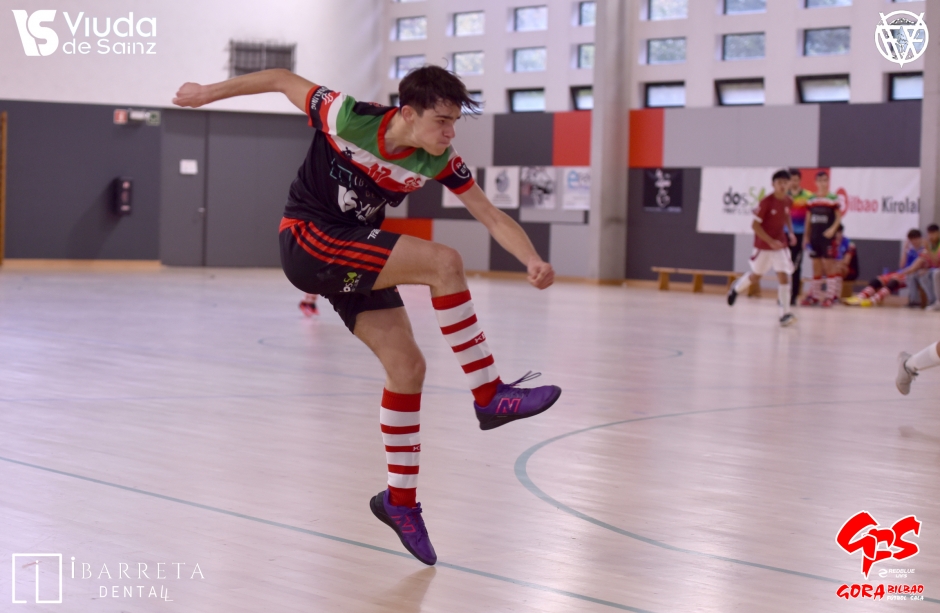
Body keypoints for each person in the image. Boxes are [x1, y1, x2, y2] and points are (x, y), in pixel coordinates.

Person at [172, 66, 562, 566]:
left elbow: (489, 214)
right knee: (444, 263)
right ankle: (490, 395)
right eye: (442, 121)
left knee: (408, 368)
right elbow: (280, 78)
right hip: (309, 239)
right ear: (408, 114)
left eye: (454, 123)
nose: (450, 133)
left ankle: (400, 503)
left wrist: (531, 258)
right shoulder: (346, 116)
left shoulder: (438, 159)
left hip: (353, 251)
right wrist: (206, 93)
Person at [727, 169, 797, 327]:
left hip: (780, 244)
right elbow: (755, 225)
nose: (782, 186)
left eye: (785, 183)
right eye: (779, 183)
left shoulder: (788, 201)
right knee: (756, 276)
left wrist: (791, 232)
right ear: (773, 184)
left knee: (784, 276)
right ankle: (737, 288)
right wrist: (770, 241)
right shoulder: (766, 202)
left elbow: (786, 215)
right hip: (764, 246)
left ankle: (784, 313)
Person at [844, 229, 923, 307]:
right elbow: (902, 266)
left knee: (893, 281)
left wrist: (900, 274)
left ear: (920, 238)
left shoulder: (922, 251)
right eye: (911, 239)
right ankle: (860, 297)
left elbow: (914, 268)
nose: (914, 241)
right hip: (901, 272)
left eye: (915, 239)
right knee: (877, 280)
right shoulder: (910, 250)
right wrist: (905, 250)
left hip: (911, 274)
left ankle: (873, 300)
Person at [800, 171, 842, 307]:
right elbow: (808, 219)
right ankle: (815, 296)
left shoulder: (833, 198)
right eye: (820, 181)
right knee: (816, 266)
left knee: (829, 265)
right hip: (815, 237)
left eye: (825, 180)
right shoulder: (812, 199)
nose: (823, 183)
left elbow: (838, 217)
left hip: (827, 238)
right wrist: (806, 236)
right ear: (816, 182)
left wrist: (833, 230)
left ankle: (831, 296)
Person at [787, 168, 813, 306]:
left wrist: (806, 237)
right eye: (791, 180)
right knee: (783, 265)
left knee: (796, 266)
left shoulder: (808, 196)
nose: (794, 182)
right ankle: (783, 295)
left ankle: (793, 296)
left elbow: (810, 218)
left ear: (800, 180)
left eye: (796, 180)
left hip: (800, 235)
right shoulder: (784, 196)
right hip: (785, 234)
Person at [908, 223, 940, 310]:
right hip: (932, 270)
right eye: (929, 234)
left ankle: (937, 301)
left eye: (933, 233)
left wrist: (928, 249)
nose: (931, 236)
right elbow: (922, 259)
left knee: (935, 273)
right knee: (918, 275)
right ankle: (920, 301)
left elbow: (936, 263)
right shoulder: (929, 246)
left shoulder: (933, 246)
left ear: (938, 233)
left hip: (936, 270)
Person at [827, 225, 858, 289]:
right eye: (835, 233)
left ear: (842, 232)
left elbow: (846, 262)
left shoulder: (850, 244)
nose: (837, 235)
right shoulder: (831, 243)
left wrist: (834, 264)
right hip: (835, 267)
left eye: (839, 232)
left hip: (850, 270)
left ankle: (835, 292)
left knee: (839, 268)